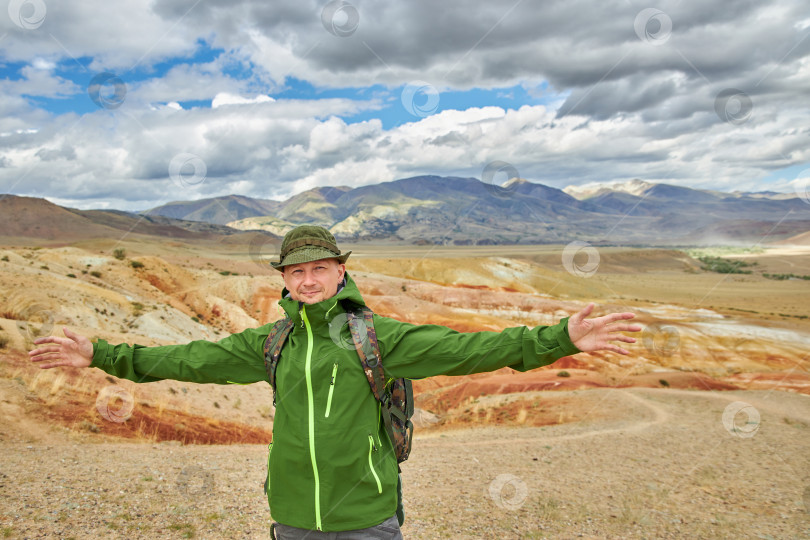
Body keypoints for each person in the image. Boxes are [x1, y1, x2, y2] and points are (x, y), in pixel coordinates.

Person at [29, 225, 641, 539]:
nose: (307, 281)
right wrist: (102, 353)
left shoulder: (379, 338)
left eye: (319, 269)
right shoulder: (272, 341)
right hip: (292, 515)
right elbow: (188, 360)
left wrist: (559, 338)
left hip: (367, 517)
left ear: (340, 271)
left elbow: (470, 349)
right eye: (296, 272)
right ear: (286, 279)